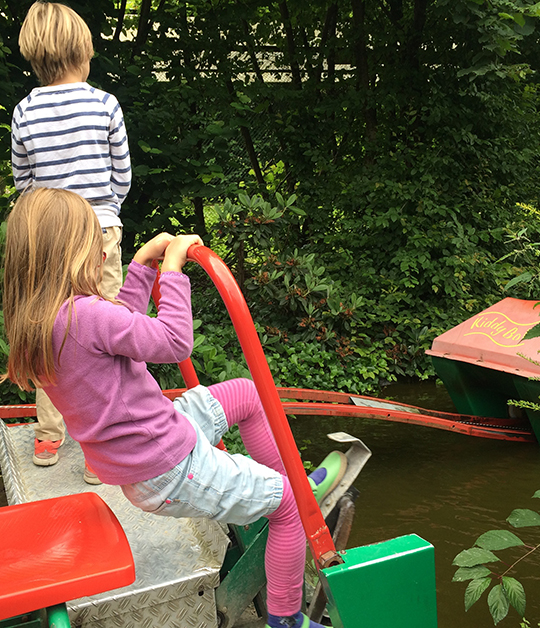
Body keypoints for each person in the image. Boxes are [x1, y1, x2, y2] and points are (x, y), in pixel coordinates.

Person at [1, 188, 325, 628]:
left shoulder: (43, 320)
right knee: (286, 508)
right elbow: (174, 342)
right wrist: (170, 272)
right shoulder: (87, 315)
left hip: (154, 443)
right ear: (69, 253)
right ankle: (286, 618)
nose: (102, 246)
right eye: (93, 238)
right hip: (168, 464)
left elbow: (121, 338)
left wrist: (139, 267)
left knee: (246, 395)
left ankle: (289, 478)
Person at [11, 1, 132, 481]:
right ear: (83, 53)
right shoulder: (104, 104)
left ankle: (48, 434)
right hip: (98, 229)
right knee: (105, 333)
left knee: (50, 331)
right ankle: (99, 449)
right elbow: (120, 174)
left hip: (46, 236)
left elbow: (25, 183)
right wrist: (105, 212)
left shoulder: (24, 109)